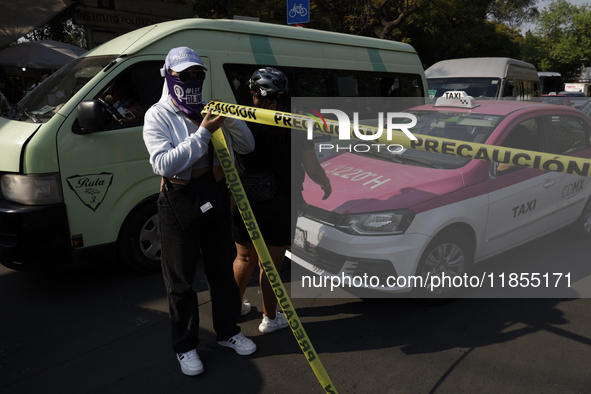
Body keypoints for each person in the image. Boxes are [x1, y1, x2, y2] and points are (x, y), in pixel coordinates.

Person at [142, 47, 257, 376]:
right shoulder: (158, 115)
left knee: (221, 270)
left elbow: (247, 146)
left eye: (198, 75)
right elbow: (163, 163)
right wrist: (203, 131)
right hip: (178, 198)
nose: (192, 80)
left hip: (215, 194)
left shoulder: (209, 108)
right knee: (181, 280)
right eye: (184, 75)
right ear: (169, 76)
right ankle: (186, 345)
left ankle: (228, 331)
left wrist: (230, 120)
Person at [232, 67, 332, 334]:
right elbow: (311, 167)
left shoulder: (240, 118)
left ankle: (233, 308)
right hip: (281, 201)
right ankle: (270, 317)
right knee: (271, 265)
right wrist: (325, 182)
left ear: (254, 94)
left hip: (246, 198)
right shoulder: (299, 123)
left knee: (243, 256)